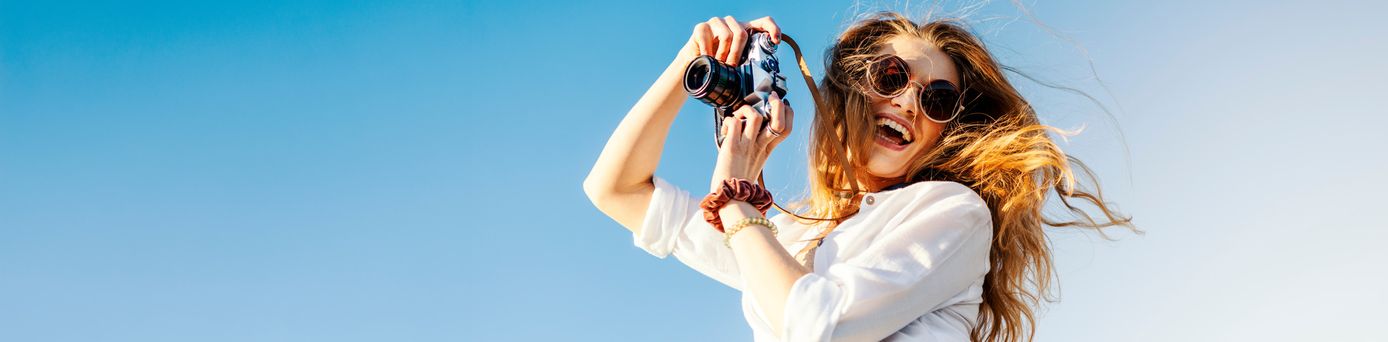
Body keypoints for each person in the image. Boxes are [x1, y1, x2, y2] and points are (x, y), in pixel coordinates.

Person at [583, 12, 1134, 342]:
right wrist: (689, 63)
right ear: (851, 90)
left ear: (948, 131)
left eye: (937, 98)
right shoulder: (797, 241)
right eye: (892, 76)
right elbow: (616, 189)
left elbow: (820, 327)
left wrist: (737, 202)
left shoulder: (953, 212)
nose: (908, 101)